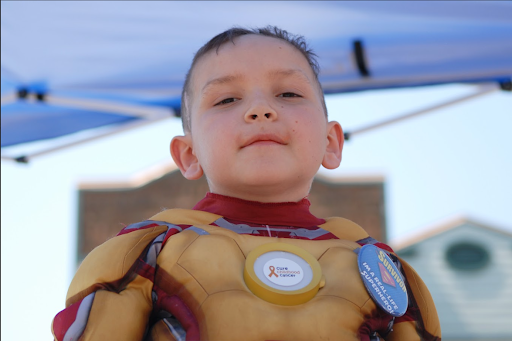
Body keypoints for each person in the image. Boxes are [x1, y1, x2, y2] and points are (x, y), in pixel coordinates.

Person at [52, 26, 441, 341]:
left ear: (330, 143)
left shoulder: (380, 270)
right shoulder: (145, 254)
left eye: (288, 93)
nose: (260, 109)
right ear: (189, 155)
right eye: (225, 100)